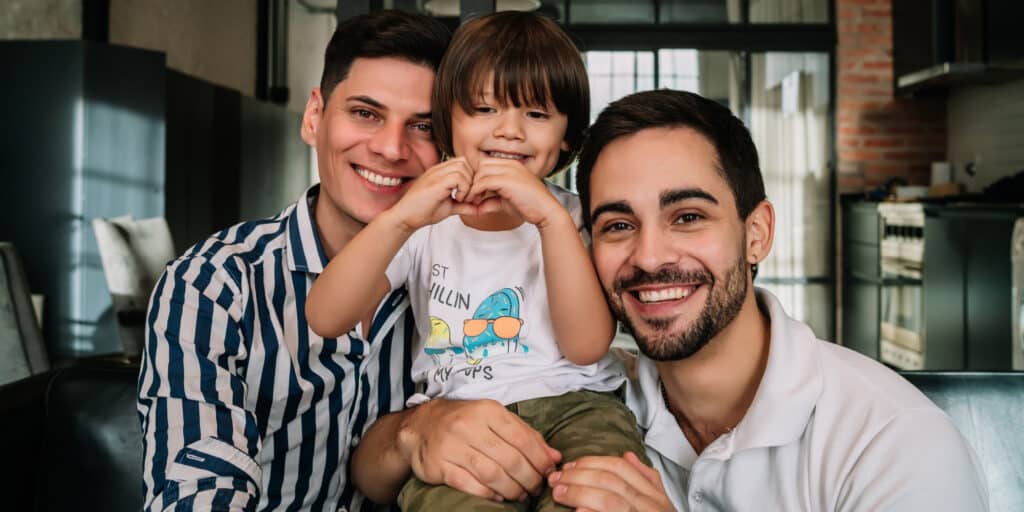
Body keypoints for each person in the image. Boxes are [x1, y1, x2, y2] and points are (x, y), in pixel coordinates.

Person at [546, 89, 989, 511]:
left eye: (688, 217)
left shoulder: (893, 443)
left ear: (757, 234)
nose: (649, 257)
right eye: (618, 225)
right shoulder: (582, 403)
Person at [306, 12, 647, 511]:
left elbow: (587, 346)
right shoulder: (423, 221)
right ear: (447, 122)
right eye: (484, 109)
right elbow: (325, 316)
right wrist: (400, 221)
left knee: (598, 498)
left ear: (568, 138)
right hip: (457, 423)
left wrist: (550, 223)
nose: (509, 132)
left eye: (535, 115)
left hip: (580, 410)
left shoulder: (571, 216)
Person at [137, 11, 450, 511]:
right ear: (314, 118)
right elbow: (199, 489)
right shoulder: (214, 284)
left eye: (424, 126)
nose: (392, 148)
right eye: (366, 113)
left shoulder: (465, 290)